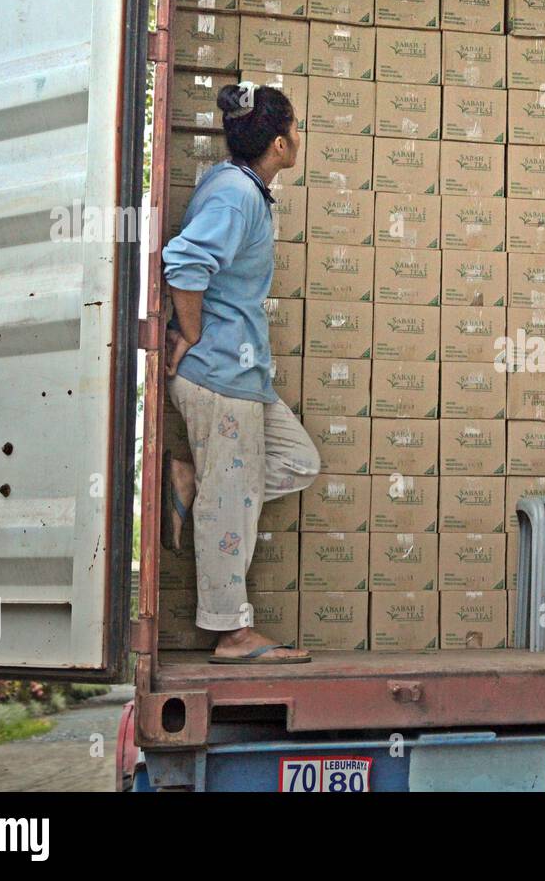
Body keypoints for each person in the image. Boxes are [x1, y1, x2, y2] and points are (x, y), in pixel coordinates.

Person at [160, 83, 321, 665]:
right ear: (280, 144)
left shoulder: (242, 188)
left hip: (244, 377)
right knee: (231, 504)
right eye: (296, 130)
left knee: (298, 461)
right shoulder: (235, 195)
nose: (298, 138)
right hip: (219, 374)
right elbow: (182, 261)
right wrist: (195, 334)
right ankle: (231, 634)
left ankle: (193, 481)